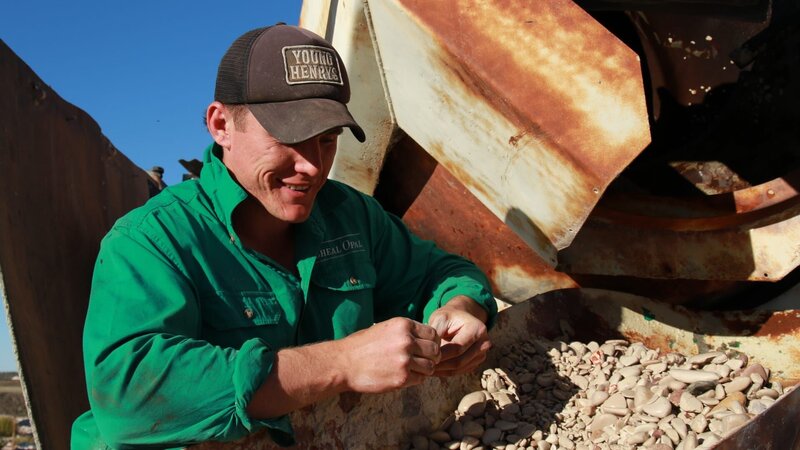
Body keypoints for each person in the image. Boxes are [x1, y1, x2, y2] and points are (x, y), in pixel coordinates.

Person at [71, 24, 497, 449]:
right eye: (289, 138)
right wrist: (343, 362)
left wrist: (460, 308)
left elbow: (440, 274)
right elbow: (130, 397)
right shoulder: (152, 241)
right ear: (221, 124)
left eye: (327, 140)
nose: (313, 166)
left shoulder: (352, 217)